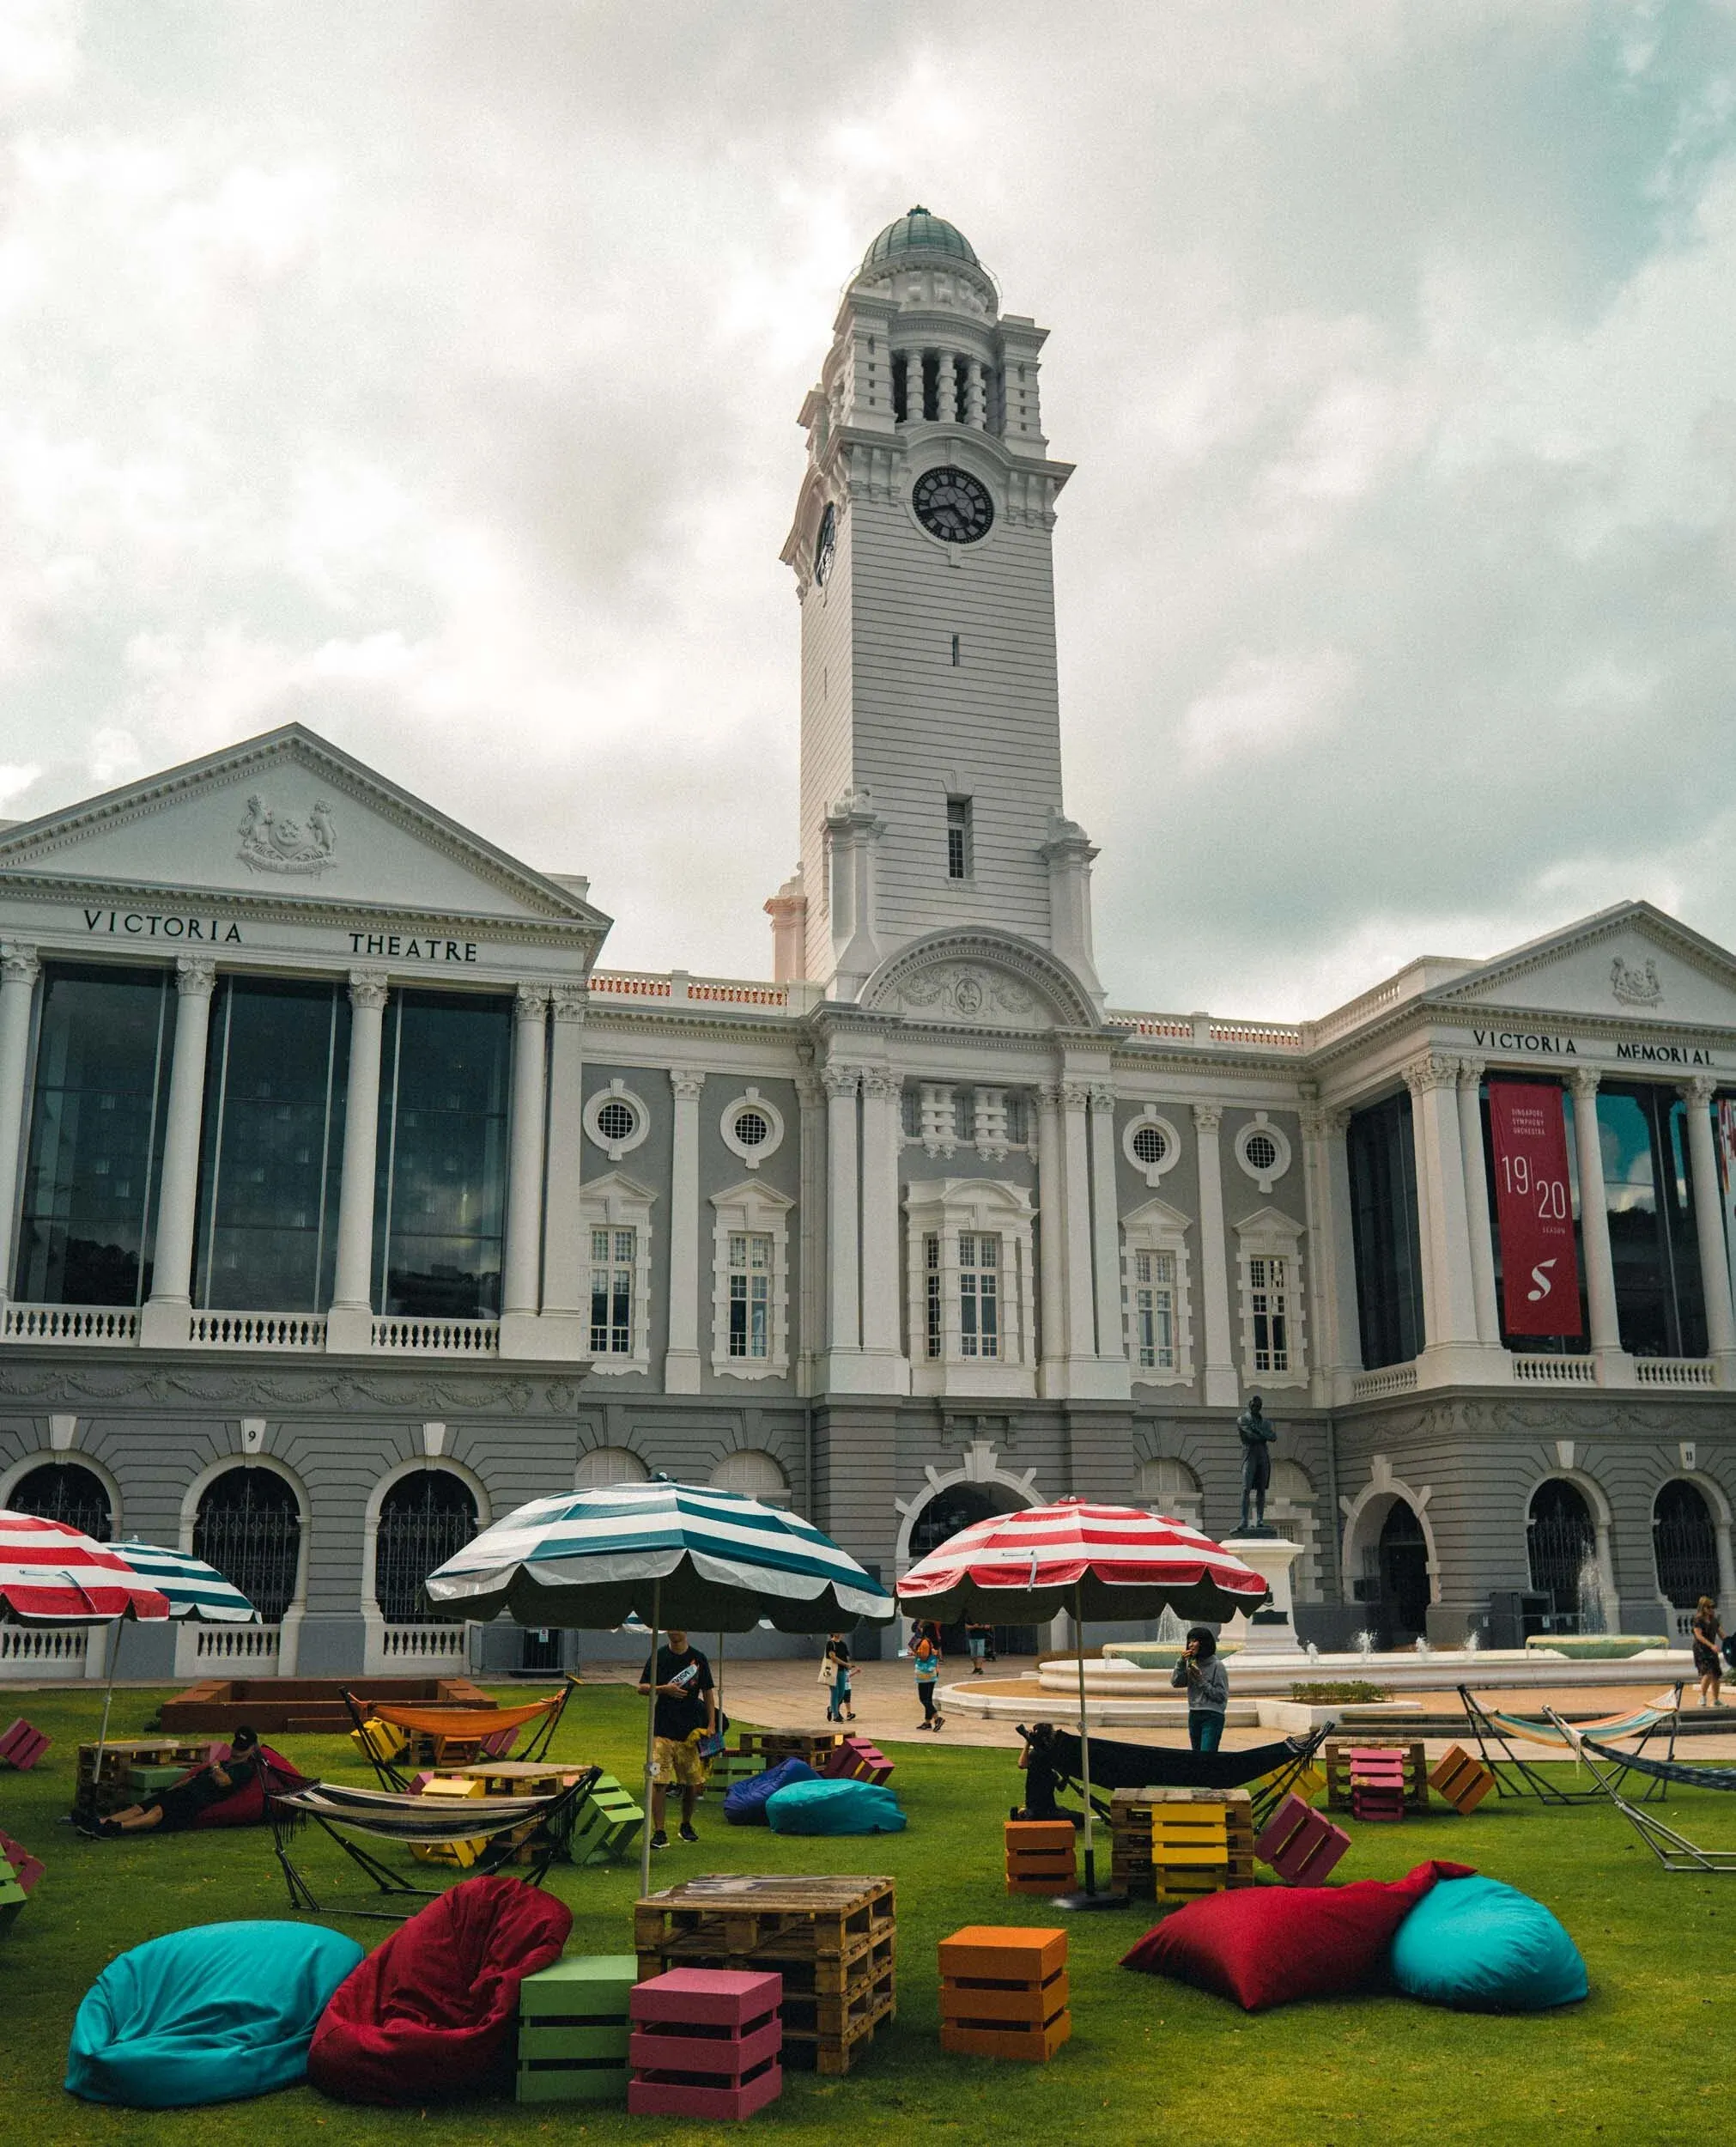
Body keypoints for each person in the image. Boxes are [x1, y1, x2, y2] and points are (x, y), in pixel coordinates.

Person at [81, 1726, 265, 1837]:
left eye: (242, 1748)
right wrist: (174, 1787)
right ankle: (100, 1822)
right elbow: (195, 1778)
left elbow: (224, 1782)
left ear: (251, 1750)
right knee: (139, 1807)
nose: (236, 1751)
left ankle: (117, 1828)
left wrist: (215, 1766)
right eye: (235, 1746)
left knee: (157, 1812)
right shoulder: (225, 1762)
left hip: (197, 1800)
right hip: (186, 1790)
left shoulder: (245, 1769)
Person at [637, 1627, 716, 1848]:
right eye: (671, 1628)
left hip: (689, 1734)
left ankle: (686, 1825)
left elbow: (708, 1692)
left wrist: (711, 1724)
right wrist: (665, 1689)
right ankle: (659, 1831)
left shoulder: (698, 1659)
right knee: (659, 1781)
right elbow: (642, 1688)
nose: (674, 1632)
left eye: (678, 1628)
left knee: (692, 1783)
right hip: (661, 1730)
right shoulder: (659, 1656)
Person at [1171, 1627, 1229, 1752]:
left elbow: (1220, 1696)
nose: (1191, 1645)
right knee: (1196, 1756)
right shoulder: (1192, 1664)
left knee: (1206, 1754)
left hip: (1212, 1715)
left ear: (1204, 1643)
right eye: (1189, 1641)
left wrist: (1201, 1680)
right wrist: (1180, 1663)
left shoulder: (1217, 1666)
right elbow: (1176, 1683)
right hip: (1194, 1714)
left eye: (1195, 1641)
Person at [1691, 1595, 1724, 1709]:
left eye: (1713, 1607)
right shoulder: (1698, 1620)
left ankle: (1716, 1700)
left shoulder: (1714, 1620)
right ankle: (1702, 1696)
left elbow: (1722, 1634)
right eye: (1709, 1607)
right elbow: (1698, 1636)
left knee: (1716, 1674)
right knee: (1708, 1672)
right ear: (1703, 1608)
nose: (1712, 1609)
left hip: (1712, 1649)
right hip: (1701, 1649)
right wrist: (1711, 1645)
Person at [913, 1621, 945, 1731]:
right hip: (932, 1672)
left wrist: (914, 1653)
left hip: (924, 1674)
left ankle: (937, 1718)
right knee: (928, 1699)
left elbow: (924, 1657)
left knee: (923, 1699)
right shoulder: (933, 1642)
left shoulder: (925, 1642)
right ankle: (927, 1722)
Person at [824, 1632, 855, 1723]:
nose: (840, 1633)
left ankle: (831, 1709)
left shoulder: (843, 1644)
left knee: (841, 1694)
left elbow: (846, 1656)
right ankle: (836, 1715)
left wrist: (848, 1665)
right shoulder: (830, 1644)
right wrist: (845, 1664)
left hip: (842, 1671)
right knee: (835, 1692)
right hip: (832, 1671)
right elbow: (833, 1658)